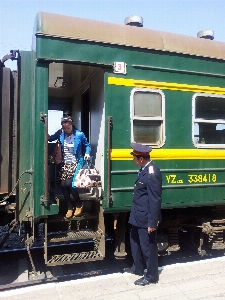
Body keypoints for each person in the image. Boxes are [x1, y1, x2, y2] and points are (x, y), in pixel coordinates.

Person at [124, 142, 162, 286]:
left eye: (134, 157)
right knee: (134, 243)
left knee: (148, 247)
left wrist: (152, 222)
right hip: (137, 215)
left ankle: (151, 276)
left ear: (141, 158)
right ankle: (138, 268)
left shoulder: (153, 173)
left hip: (146, 217)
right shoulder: (143, 169)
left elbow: (155, 199)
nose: (133, 159)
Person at [48, 116, 91, 218]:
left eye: (68, 128)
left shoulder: (79, 134)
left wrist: (87, 153)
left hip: (76, 162)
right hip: (64, 163)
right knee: (63, 185)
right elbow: (51, 138)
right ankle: (69, 207)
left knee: (70, 185)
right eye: (64, 128)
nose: (66, 130)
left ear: (72, 125)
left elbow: (87, 145)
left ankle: (79, 204)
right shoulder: (60, 133)